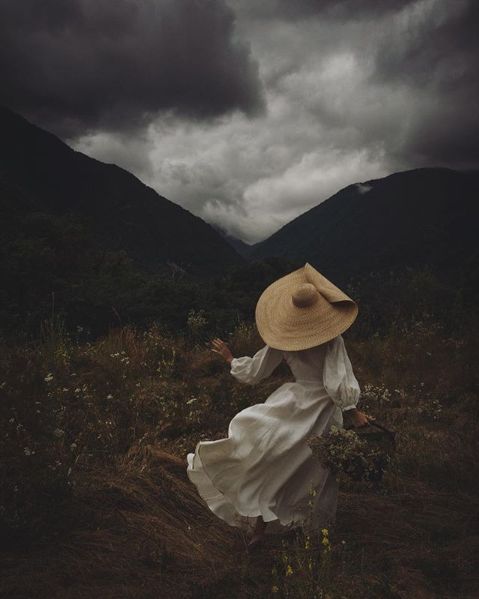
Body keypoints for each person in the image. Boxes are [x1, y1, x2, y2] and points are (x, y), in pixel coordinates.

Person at [186, 263, 369, 549]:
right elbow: (337, 379)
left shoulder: (283, 339)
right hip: (321, 410)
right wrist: (351, 409)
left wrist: (230, 359)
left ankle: (259, 530)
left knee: (274, 463)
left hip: (292, 403)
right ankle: (310, 531)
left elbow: (256, 372)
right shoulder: (332, 339)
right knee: (316, 471)